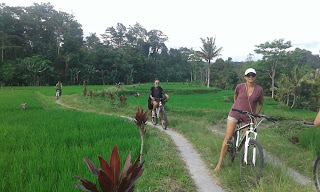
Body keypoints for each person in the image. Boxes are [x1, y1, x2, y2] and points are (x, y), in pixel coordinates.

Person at [215, 68, 264, 171]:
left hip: (248, 116)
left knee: (246, 138)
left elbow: (260, 104)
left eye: (253, 75)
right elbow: (235, 97)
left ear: (255, 77)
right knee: (228, 137)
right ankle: (219, 163)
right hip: (235, 113)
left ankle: (242, 157)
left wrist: (255, 116)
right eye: (248, 75)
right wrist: (237, 107)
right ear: (245, 77)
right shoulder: (240, 87)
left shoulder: (259, 89)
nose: (250, 77)